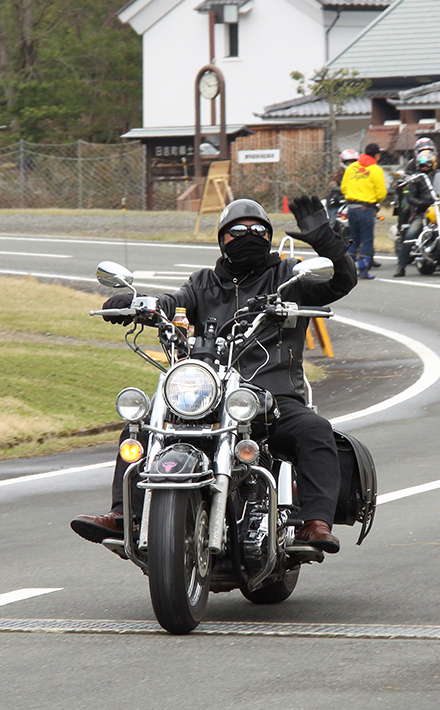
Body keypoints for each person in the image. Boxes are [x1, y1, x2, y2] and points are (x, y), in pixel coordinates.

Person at [72, 197, 358, 553]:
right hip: (208, 396)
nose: (248, 235)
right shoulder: (204, 282)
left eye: (258, 230)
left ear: (269, 236)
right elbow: (174, 301)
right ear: (223, 238)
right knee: (142, 426)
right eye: (238, 230)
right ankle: (124, 514)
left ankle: (314, 523)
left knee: (315, 430)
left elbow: (341, 281)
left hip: (273, 397)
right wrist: (140, 303)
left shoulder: (289, 276)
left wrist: (326, 241)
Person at [341, 143, 387, 279]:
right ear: (376, 155)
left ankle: (347, 270)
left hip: (351, 208)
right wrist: (375, 200)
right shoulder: (376, 170)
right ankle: (363, 269)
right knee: (367, 240)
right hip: (365, 209)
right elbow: (381, 193)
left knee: (353, 239)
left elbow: (344, 188)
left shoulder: (352, 167)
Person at [392, 148, 440, 278]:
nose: (424, 167)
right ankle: (401, 266)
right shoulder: (416, 178)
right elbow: (410, 197)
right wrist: (419, 203)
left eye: (427, 164)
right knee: (410, 234)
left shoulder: (439, 176)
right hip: (423, 212)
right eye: (422, 165)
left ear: (433, 164)